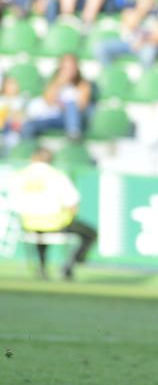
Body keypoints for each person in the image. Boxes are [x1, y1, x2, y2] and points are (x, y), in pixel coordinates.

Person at [8, 147, 97, 280]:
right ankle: (71, 264)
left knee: (40, 233)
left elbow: (12, 202)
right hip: (56, 223)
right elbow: (72, 203)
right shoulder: (57, 175)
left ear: (32, 158)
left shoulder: (20, 175)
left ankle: (42, 268)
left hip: (28, 224)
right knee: (91, 233)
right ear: (51, 160)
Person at [20, 53, 94, 141]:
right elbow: (48, 101)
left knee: (71, 105)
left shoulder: (83, 84)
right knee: (29, 126)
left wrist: (66, 106)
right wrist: (60, 83)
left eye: (72, 67)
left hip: (71, 118)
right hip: (54, 116)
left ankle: (73, 134)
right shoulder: (55, 82)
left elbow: (82, 106)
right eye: (66, 68)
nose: (69, 71)